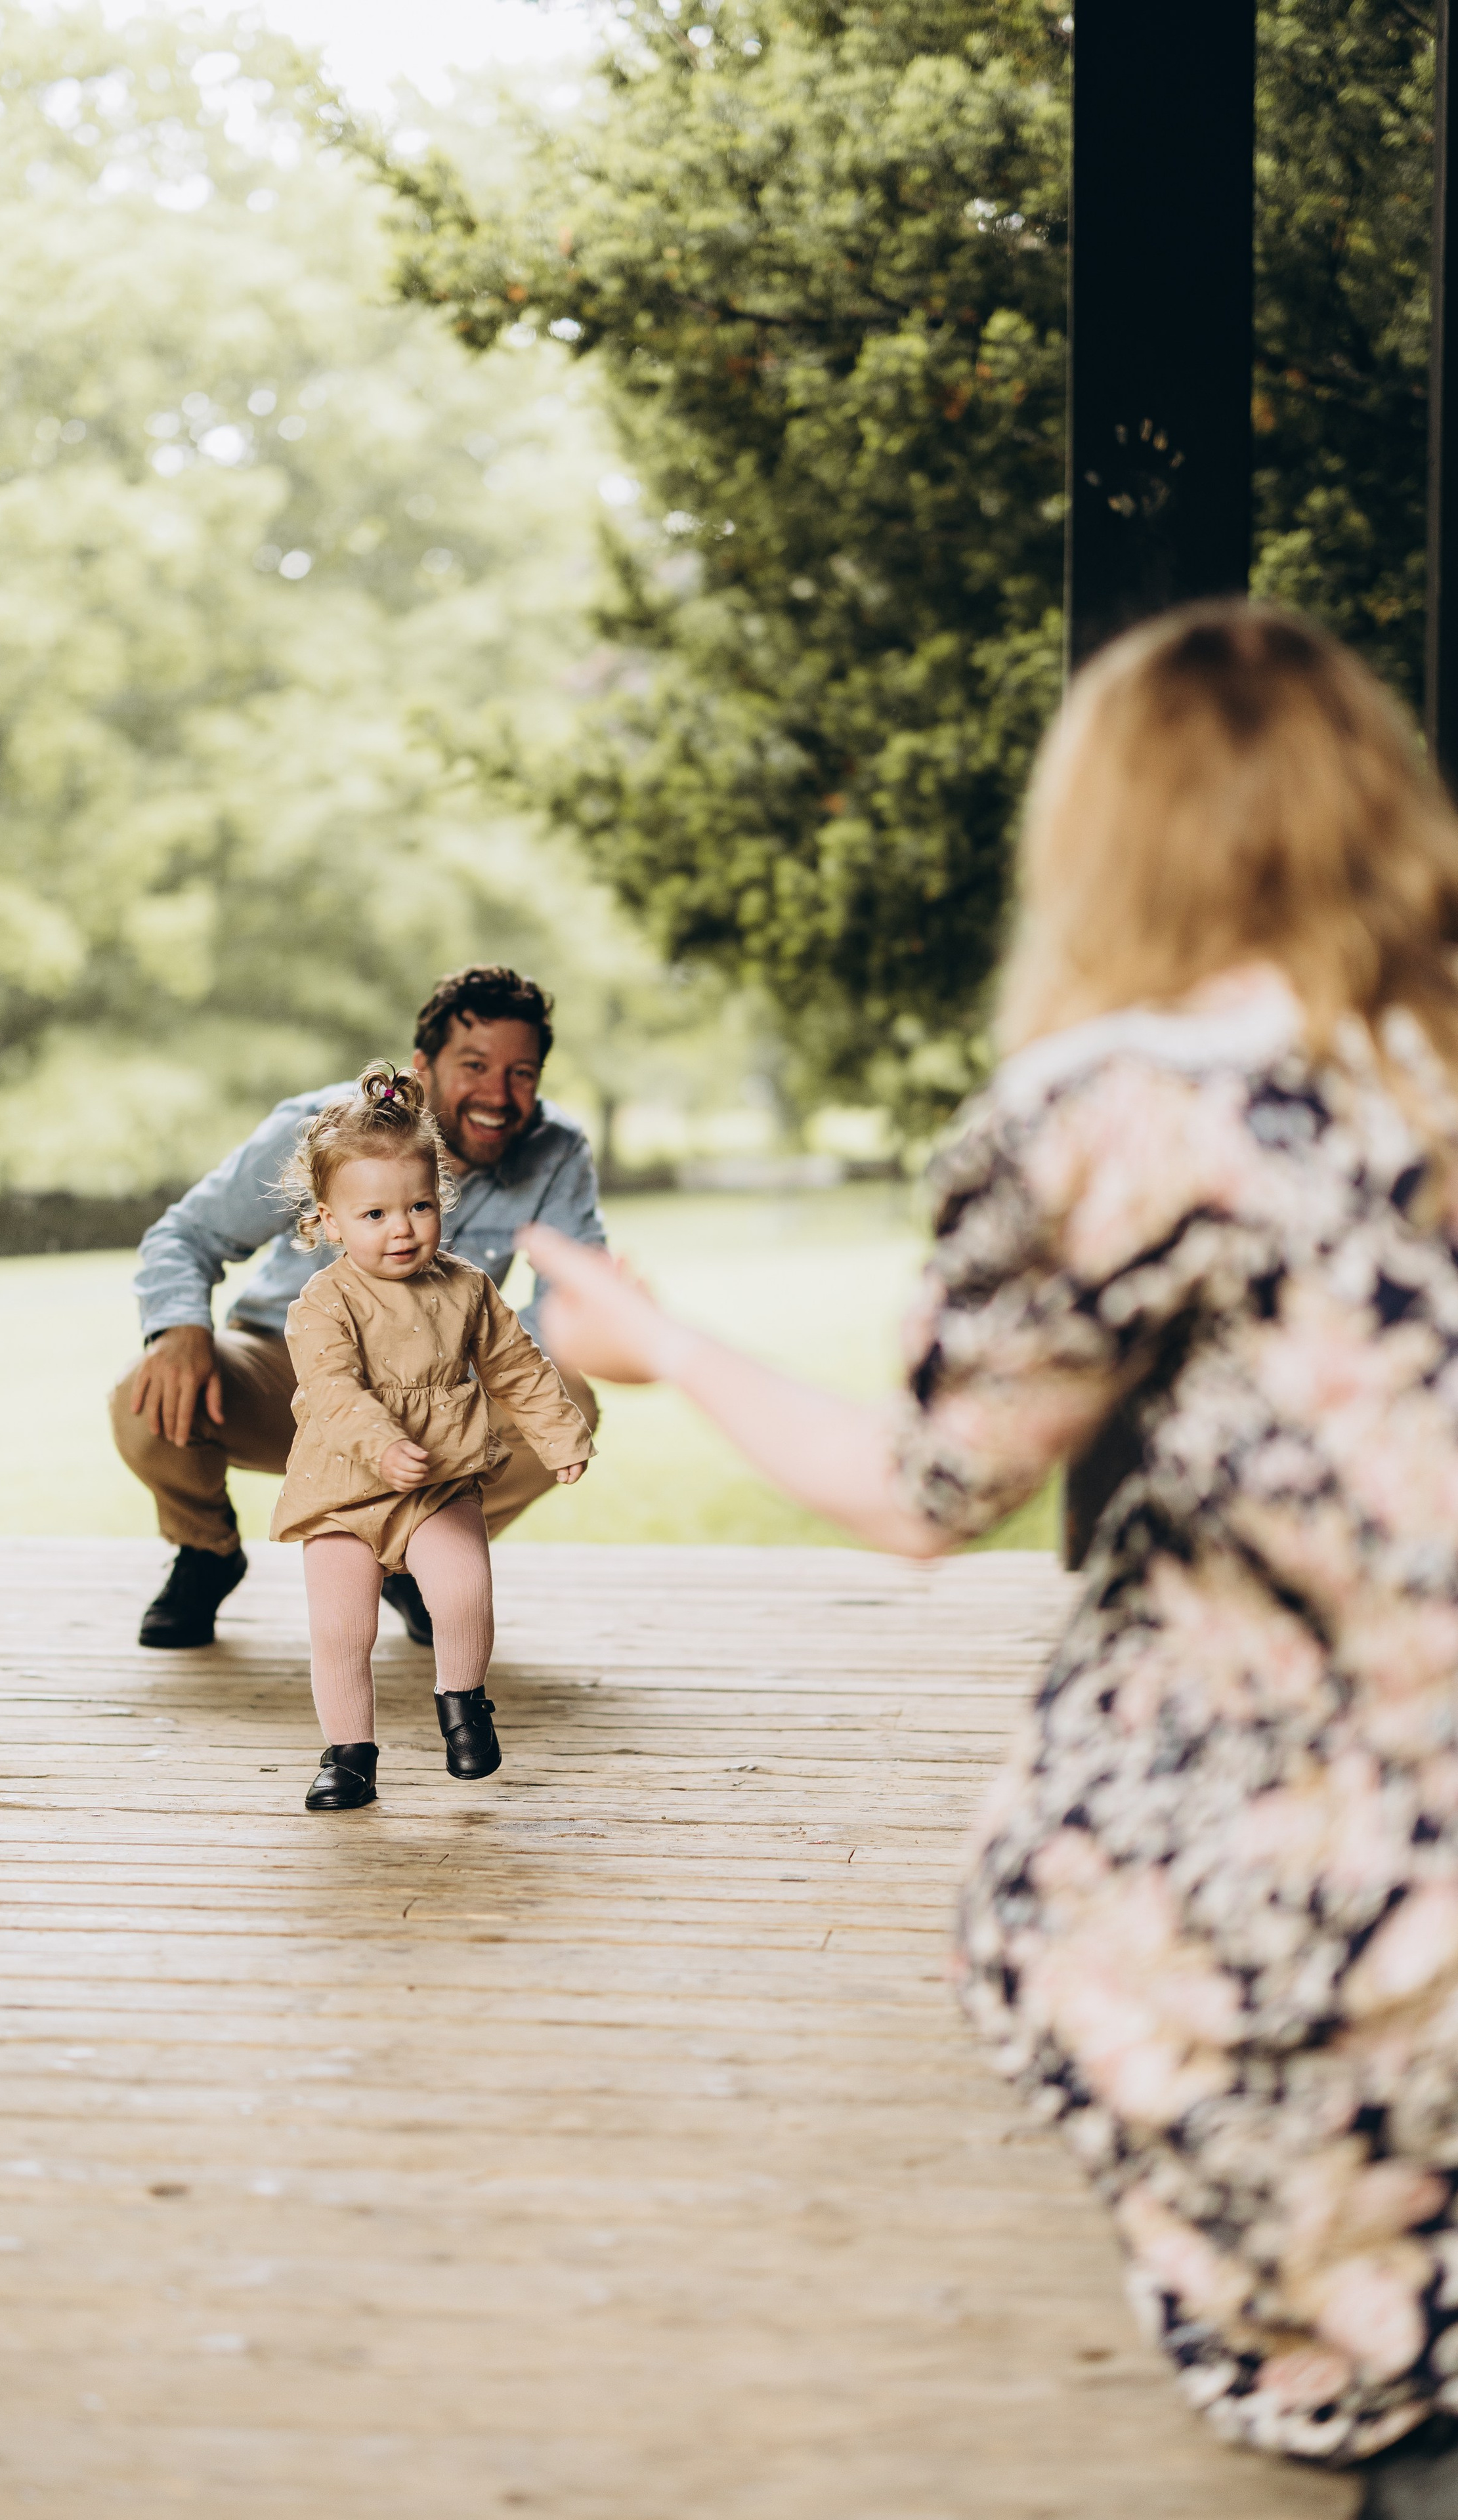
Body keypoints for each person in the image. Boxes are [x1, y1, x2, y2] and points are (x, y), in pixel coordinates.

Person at [519, 603, 1458, 2508]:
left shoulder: (1119, 1108)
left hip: (1306, 1798)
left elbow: (925, 1489)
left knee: (1055, 1919)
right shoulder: (1424, 1057)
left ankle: (1347, 2343)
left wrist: (663, 1344)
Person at [110, 964, 604, 1650]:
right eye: (475, 1065)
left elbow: (568, 1305)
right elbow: (186, 1234)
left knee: (564, 1400)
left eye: (522, 1073)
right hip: (288, 1369)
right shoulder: (320, 1130)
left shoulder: (557, 1151)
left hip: (432, 1391)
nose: (499, 1093)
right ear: (423, 1066)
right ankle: (206, 1552)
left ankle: (414, 1552)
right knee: (148, 1390)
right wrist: (179, 1329)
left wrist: (505, 1384)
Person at [271, 1062, 592, 1811]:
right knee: (341, 1630)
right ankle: (349, 1755)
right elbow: (332, 1389)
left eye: (419, 1206)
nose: (403, 1228)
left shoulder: (466, 1288)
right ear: (329, 1221)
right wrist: (382, 1444)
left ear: (441, 1199)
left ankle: (463, 1705)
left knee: (463, 1590)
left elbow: (517, 1365)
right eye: (374, 1215)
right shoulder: (323, 1304)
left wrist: (559, 1433)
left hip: (439, 1481)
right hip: (344, 1490)